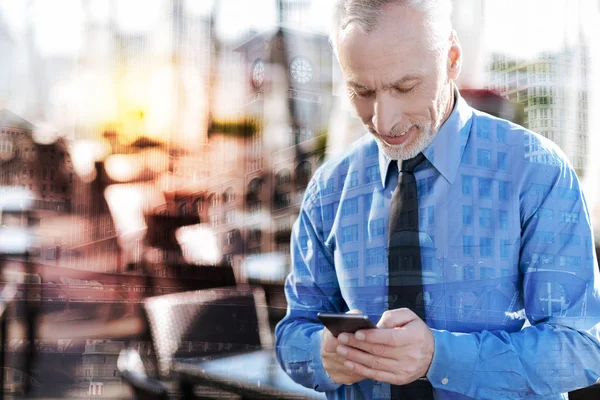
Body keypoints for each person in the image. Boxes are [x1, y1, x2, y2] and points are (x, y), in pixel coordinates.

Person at [274, 0, 600, 399]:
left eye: (404, 87)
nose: (384, 120)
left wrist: (438, 357)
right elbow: (293, 334)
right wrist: (321, 354)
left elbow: (583, 347)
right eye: (362, 91)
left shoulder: (535, 171)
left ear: (452, 59)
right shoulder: (328, 190)